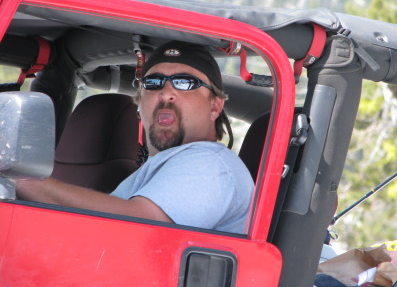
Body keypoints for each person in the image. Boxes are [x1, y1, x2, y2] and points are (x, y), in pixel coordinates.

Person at [16, 40, 254, 234]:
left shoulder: (210, 164)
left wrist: (27, 183)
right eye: (153, 82)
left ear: (215, 106)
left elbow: (141, 228)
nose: (166, 93)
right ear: (139, 103)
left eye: (184, 83)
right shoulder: (166, 168)